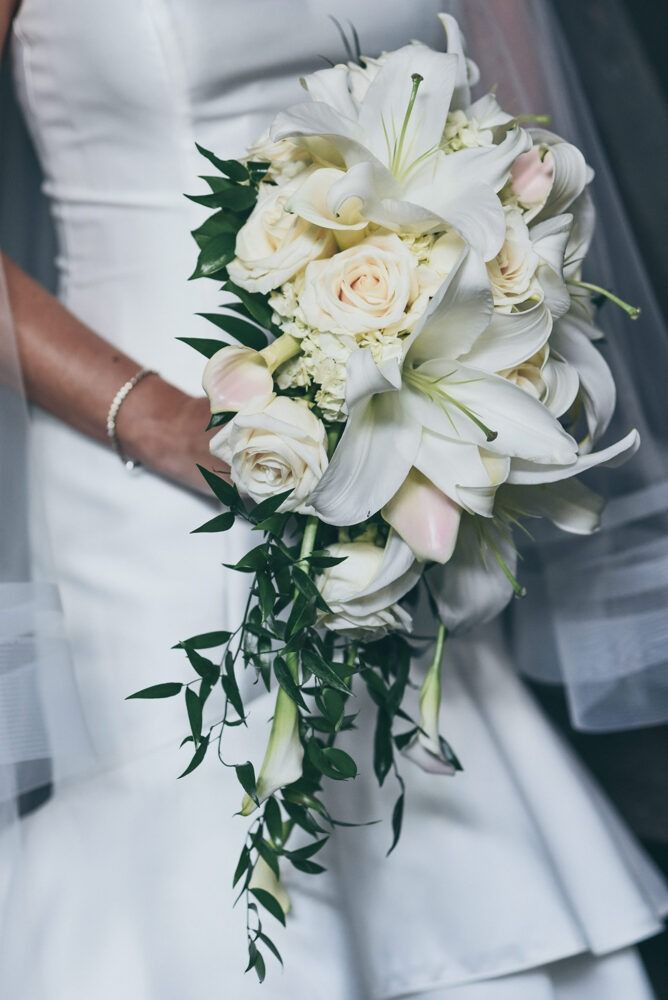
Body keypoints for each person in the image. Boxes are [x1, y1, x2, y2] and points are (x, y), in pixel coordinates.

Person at [0, 2, 666, 998]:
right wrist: (159, 420)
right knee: (202, 858)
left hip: (397, 431)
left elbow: (521, 153)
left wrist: (476, 356)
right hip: (138, 466)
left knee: (418, 832)